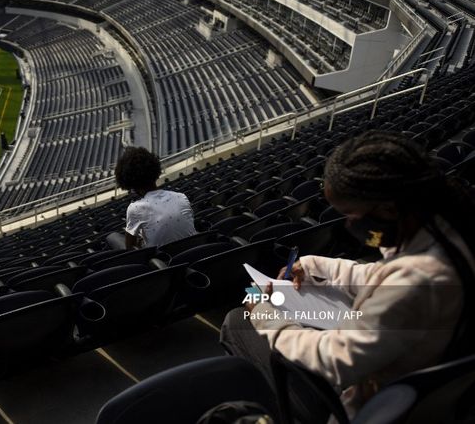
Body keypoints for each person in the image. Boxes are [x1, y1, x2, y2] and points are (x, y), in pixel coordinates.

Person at [221, 130, 475, 419]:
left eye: (352, 215)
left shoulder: (416, 281)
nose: (349, 224)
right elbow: (381, 275)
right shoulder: (447, 228)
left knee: (237, 321)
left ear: (389, 209)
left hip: (364, 402)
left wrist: (264, 313)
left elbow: (332, 360)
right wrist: (316, 265)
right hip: (408, 364)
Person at [107, 147, 196, 250]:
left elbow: (130, 248)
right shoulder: (181, 197)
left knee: (112, 237)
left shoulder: (135, 209)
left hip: (162, 261)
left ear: (131, 185)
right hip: (191, 253)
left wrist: (140, 243)